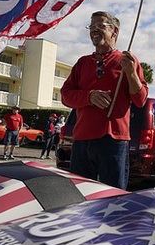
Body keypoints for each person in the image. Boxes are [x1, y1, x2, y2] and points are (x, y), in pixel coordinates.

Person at [61, 11, 148, 189]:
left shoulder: (128, 62)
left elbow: (140, 100)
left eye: (100, 26)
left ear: (114, 32)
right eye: (91, 26)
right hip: (82, 141)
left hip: (113, 142)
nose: (94, 30)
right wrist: (89, 96)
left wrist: (131, 74)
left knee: (113, 198)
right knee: (79, 195)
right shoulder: (82, 63)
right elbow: (65, 95)